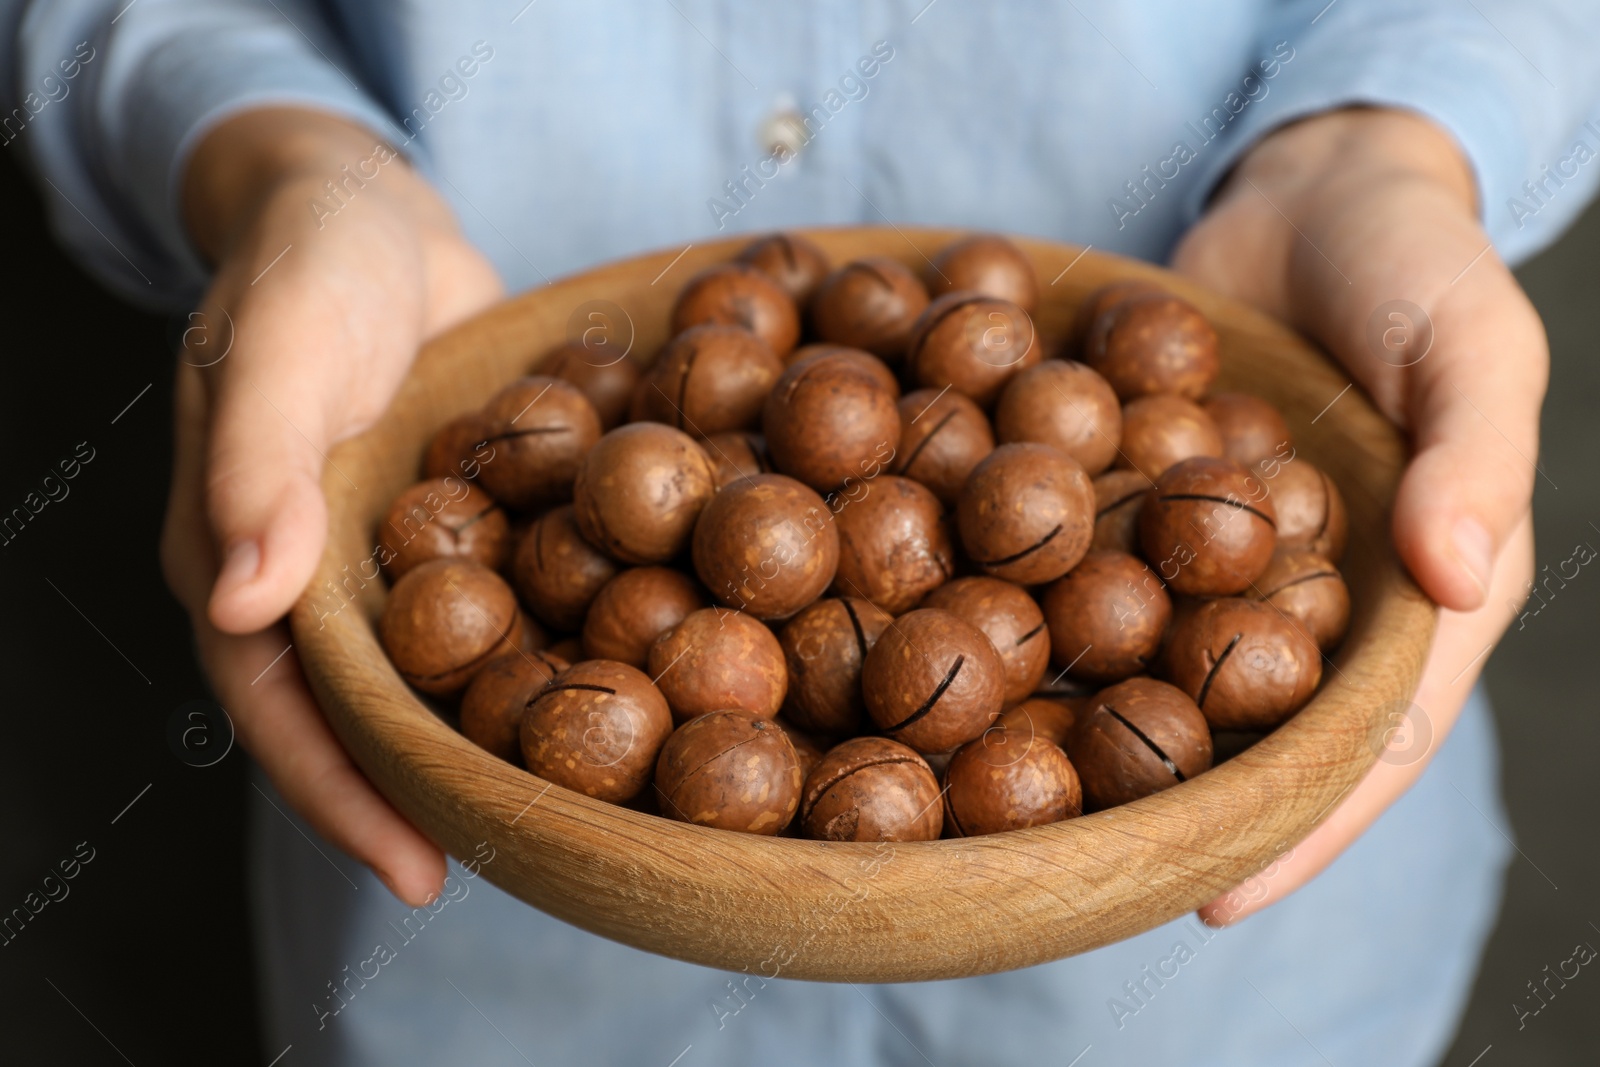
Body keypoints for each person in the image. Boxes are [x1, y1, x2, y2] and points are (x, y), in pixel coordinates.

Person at [6, 1, 1596, 1062]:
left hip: (1234, 1001)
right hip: (487, 962)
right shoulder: (597, 502)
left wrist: (1391, 139)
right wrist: (278, 159)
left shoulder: (1133, 531)